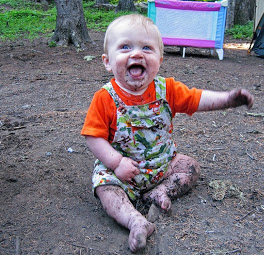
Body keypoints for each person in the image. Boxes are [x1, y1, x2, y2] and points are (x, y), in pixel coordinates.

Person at [81, 14, 254, 253]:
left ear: (159, 60)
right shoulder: (105, 98)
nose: (137, 53)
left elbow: (197, 99)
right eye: (125, 47)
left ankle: (161, 192)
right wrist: (116, 162)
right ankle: (135, 221)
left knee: (190, 166)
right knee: (105, 189)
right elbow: (93, 136)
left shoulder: (167, 89)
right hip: (121, 173)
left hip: (163, 166)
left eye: (146, 48)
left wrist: (228, 100)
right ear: (107, 61)